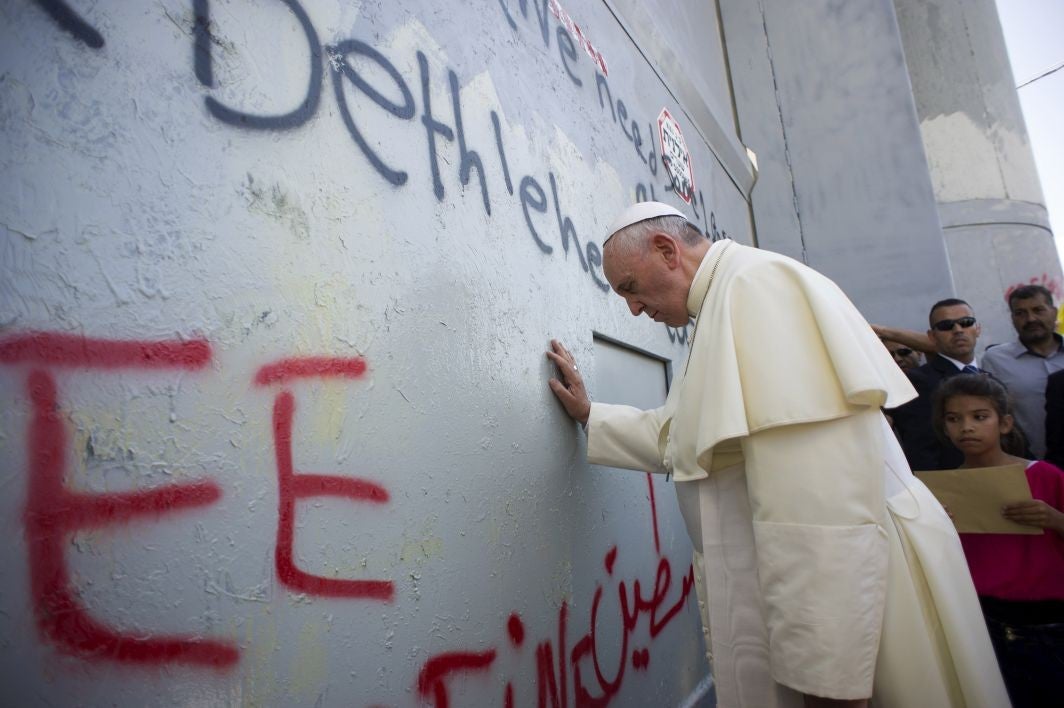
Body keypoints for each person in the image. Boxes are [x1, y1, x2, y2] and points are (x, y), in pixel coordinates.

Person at [546, 201, 1008, 708]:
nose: (633, 308)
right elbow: (679, 436)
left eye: (631, 288)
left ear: (665, 250)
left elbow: (820, 508)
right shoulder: (726, 299)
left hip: (849, 606)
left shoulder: (758, 291)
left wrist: (828, 674)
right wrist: (592, 414)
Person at [932, 374, 1064, 708]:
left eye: (979, 417)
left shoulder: (1046, 476)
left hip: (1048, 622)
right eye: (954, 419)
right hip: (980, 621)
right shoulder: (940, 492)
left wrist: (1054, 519)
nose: (966, 427)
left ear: (1004, 423)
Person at [887, 299, 984, 471]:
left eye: (966, 323)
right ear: (932, 336)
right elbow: (922, 449)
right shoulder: (919, 381)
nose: (958, 330)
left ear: (978, 329)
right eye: (947, 326)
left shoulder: (991, 377)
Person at [982, 285, 1064, 460]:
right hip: (1028, 464)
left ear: (1054, 312)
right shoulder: (995, 359)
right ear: (1012, 318)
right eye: (1020, 313)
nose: (1031, 318)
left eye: (1038, 310)